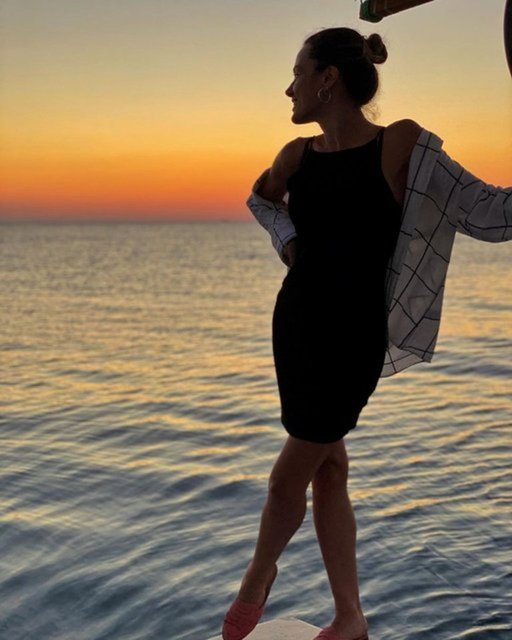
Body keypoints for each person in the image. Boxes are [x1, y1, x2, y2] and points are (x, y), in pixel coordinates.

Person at [222, 26, 511, 640]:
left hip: (353, 339)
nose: (289, 88)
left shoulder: (399, 143)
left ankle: (257, 574)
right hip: (297, 327)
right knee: (328, 468)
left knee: (286, 477)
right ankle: (349, 616)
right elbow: (261, 201)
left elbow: (490, 213)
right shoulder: (295, 156)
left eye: (297, 73)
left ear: (328, 79)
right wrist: (290, 243)